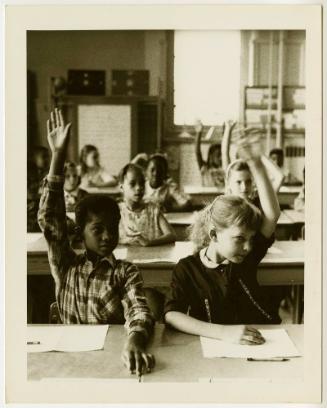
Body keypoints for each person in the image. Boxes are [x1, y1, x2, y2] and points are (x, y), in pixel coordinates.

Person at [38, 108, 155, 375]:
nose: (107, 236)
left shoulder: (125, 272)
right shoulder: (66, 265)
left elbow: (139, 310)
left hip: (110, 361)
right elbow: (49, 217)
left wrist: (134, 342)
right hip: (68, 363)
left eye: (112, 228)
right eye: (98, 229)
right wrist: (57, 156)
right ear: (79, 233)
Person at [164, 137, 281, 344]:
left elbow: (271, 215)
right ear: (214, 235)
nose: (247, 246)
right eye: (239, 239)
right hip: (214, 346)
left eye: (251, 239)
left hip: (258, 340)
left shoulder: (245, 257)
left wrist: (256, 164)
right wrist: (224, 333)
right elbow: (172, 314)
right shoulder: (188, 268)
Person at [118, 163, 176, 246]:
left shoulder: (152, 209)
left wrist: (149, 242)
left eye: (142, 183)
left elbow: (172, 235)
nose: (138, 188)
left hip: (153, 257)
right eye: (132, 184)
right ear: (121, 187)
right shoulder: (116, 211)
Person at [223, 125, 284, 194]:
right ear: (228, 184)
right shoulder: (227, 198)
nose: (244, 187)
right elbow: (225, 155)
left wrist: (258, 153)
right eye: (238, 182)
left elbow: (280, 177)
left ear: (254, 183)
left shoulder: (260, 199)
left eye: (248, 181)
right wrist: (228, 128)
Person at [194, 120, 227, 188]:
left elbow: (225, 150)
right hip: (207, 196)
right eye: (218, 155)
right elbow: (197, 153)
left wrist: (226, 131)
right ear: (211, 156)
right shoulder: (205, 168)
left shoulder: (225, 168)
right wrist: (199, 132)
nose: (221, 158)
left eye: (221, 155)